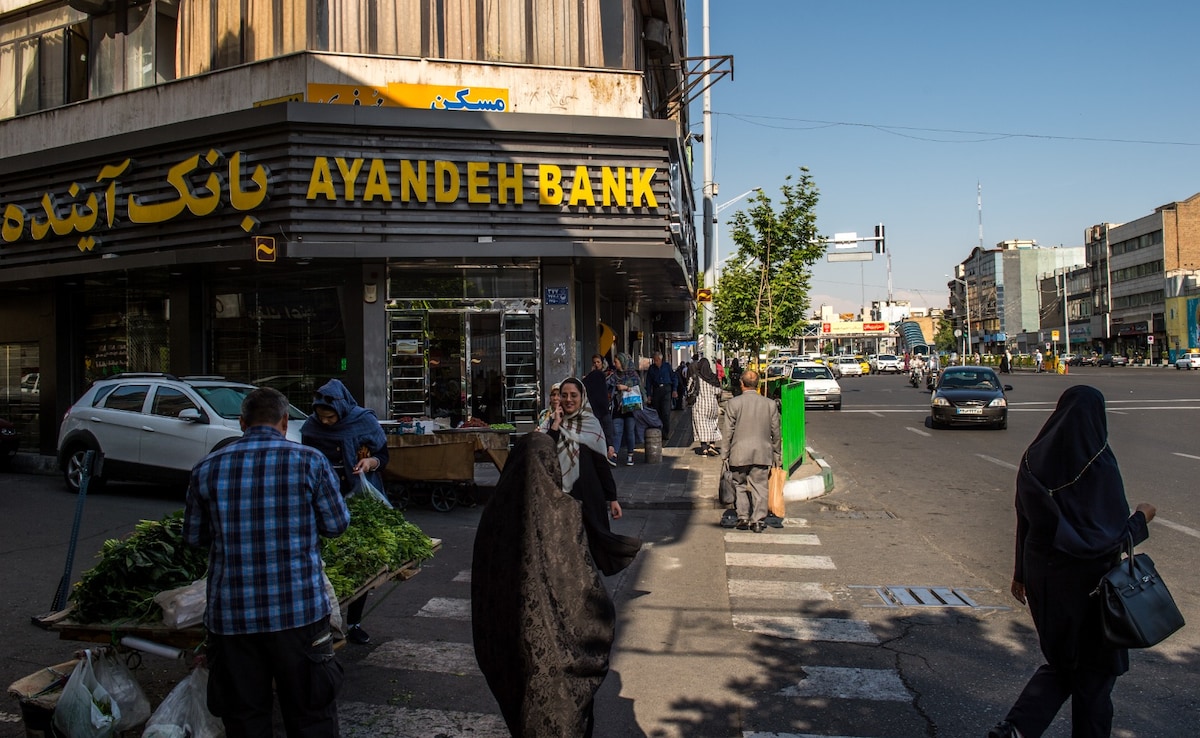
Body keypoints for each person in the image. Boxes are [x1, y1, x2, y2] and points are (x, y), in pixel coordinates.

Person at [989, 386, 1156, 738]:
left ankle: (1016, 729)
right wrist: (1141, 517)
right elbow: (1108, 538)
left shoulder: (1034, 458)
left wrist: (1020, 574)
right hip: (1092, 588)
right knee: (1095, 675)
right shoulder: (1097, 462)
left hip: (1046, 584)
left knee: (1064, 663)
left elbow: (1026, 521)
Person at [185, 387, 350, 738]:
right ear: (285, 421)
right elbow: (337, 525)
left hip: (232, 621)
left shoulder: (206, 468)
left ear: (242, 422)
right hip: (300, 615)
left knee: (245, 720)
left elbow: (194, 537)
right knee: (311, 717)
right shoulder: (310, 461)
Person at [471, 431, 616, 738]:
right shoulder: (564, 513)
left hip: (508, 647)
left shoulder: (494, 514)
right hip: (558, 656)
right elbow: (582, 584)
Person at [300, 378, 389, 645]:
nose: (325, 422)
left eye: (330, 417)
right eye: (321, 417)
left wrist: (369, 462)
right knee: (329, 561)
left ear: (341, 409)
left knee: (359, 559)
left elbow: (383, 456)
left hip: (358, 498)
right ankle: (325, 619)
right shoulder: (311, 427)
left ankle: (354, 622)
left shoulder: (363, 421)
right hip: (323, 500)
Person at [543, 377, 640, 575]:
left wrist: (612, 498)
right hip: (561, 497)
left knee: (590, 547)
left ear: (582, 397)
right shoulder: (550, 425)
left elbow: (601, 466)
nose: (568, 399)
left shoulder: (592, 424)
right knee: (563, 549)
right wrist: (555, 426)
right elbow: (544, 455)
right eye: (564, 395)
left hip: (590, 497)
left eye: (573, 395)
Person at [721, 370, 781, 533]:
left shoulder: (734, 403)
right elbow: (776, 431)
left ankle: (743, 517)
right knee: (760, 486)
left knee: (739, 485)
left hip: (739, 452)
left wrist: (724, 453)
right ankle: (758, 520)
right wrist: (777, 453)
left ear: (741, 384)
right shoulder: (769, 404)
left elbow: (728, 431)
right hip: (762, 452)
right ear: (758, 384)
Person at [582, 355, 618, 465]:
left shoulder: (602, 374)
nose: (596, 364)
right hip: (598, 408)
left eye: (598, 362)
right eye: (594, 362)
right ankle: (608, 453)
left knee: (606, 430)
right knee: (605, 431)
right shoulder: (595, 375)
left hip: (602, 407)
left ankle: (609, 452)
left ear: (602, 363)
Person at [609, 352, 642, 466]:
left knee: (629, 432)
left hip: (630, 408)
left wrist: (626, 388)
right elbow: (608, 386)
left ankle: (630, 455)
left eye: (616, 362)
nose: (614, 364)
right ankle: (614, 455)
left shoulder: (633, 375)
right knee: (617, 431)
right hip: (618, 408)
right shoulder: (614, 375)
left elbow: (638, 388)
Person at [689, 357, 723, 456]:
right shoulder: (713, 377)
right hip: (712, 405)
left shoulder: (695, 377)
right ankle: (712, 445)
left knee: (701, 426)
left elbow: (689, 390)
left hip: (700, 405)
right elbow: (718, 391)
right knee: (713, 425)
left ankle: (704, 448)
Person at [646, 351, 676, 439]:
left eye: (657, 360)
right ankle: (658, 431)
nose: (656, 362)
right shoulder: (651, 368)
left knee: (666, 412)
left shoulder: (667, 366)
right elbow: (648, 382)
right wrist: (649, 395)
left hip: (666, 389)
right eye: (654, 360)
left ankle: (665, 433)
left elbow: (674, 377)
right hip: (656, 390)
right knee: (657, 412)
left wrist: (674, 390)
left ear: (660, 359)